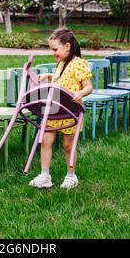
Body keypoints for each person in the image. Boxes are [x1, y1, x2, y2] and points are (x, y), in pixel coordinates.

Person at [29, 27, 93, 189]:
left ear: (67, 46)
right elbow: (63, 79)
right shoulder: (61, 63)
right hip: (55, 110)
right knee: (45, 140)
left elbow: (89, 87)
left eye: (55, 49)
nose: (53, 53)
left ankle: (71, 176)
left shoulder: (79, 63)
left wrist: (80, 93)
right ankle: (45, 176)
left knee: (68, 145)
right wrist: (49, 76)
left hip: (70, 111)